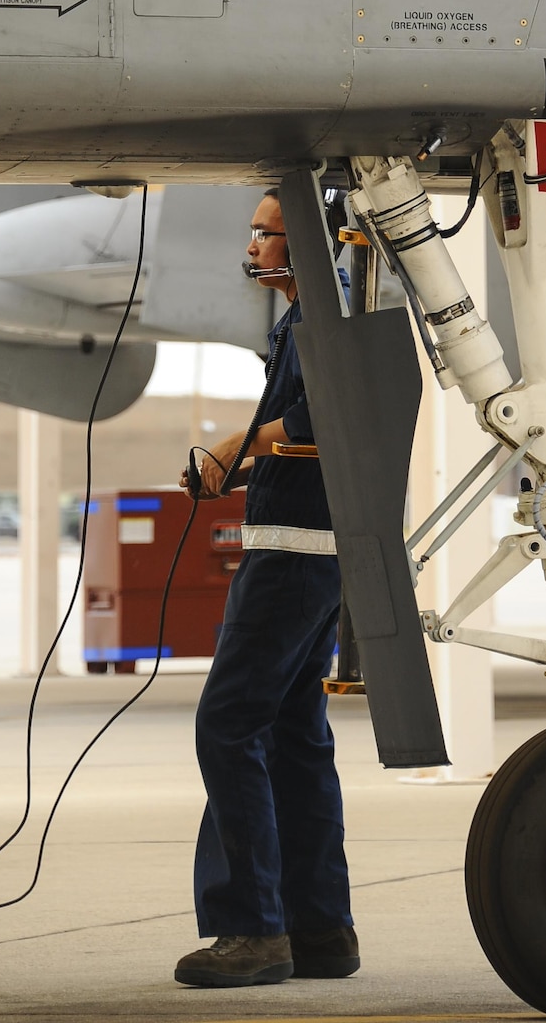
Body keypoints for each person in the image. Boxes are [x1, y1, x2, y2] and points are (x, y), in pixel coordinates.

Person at [173, 190, 357, 990]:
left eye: (266, 233)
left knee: (228, 724)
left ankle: (252, 928)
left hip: (291, 556)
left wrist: (228, 441)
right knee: (292, 736)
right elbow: (304, 432)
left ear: (309, 244)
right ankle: (321, 931)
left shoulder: (323, 317)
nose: (251, 246)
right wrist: (234, 466)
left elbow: (323, 417)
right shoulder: (301, 321)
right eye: (251, 232)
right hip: (309, 548)